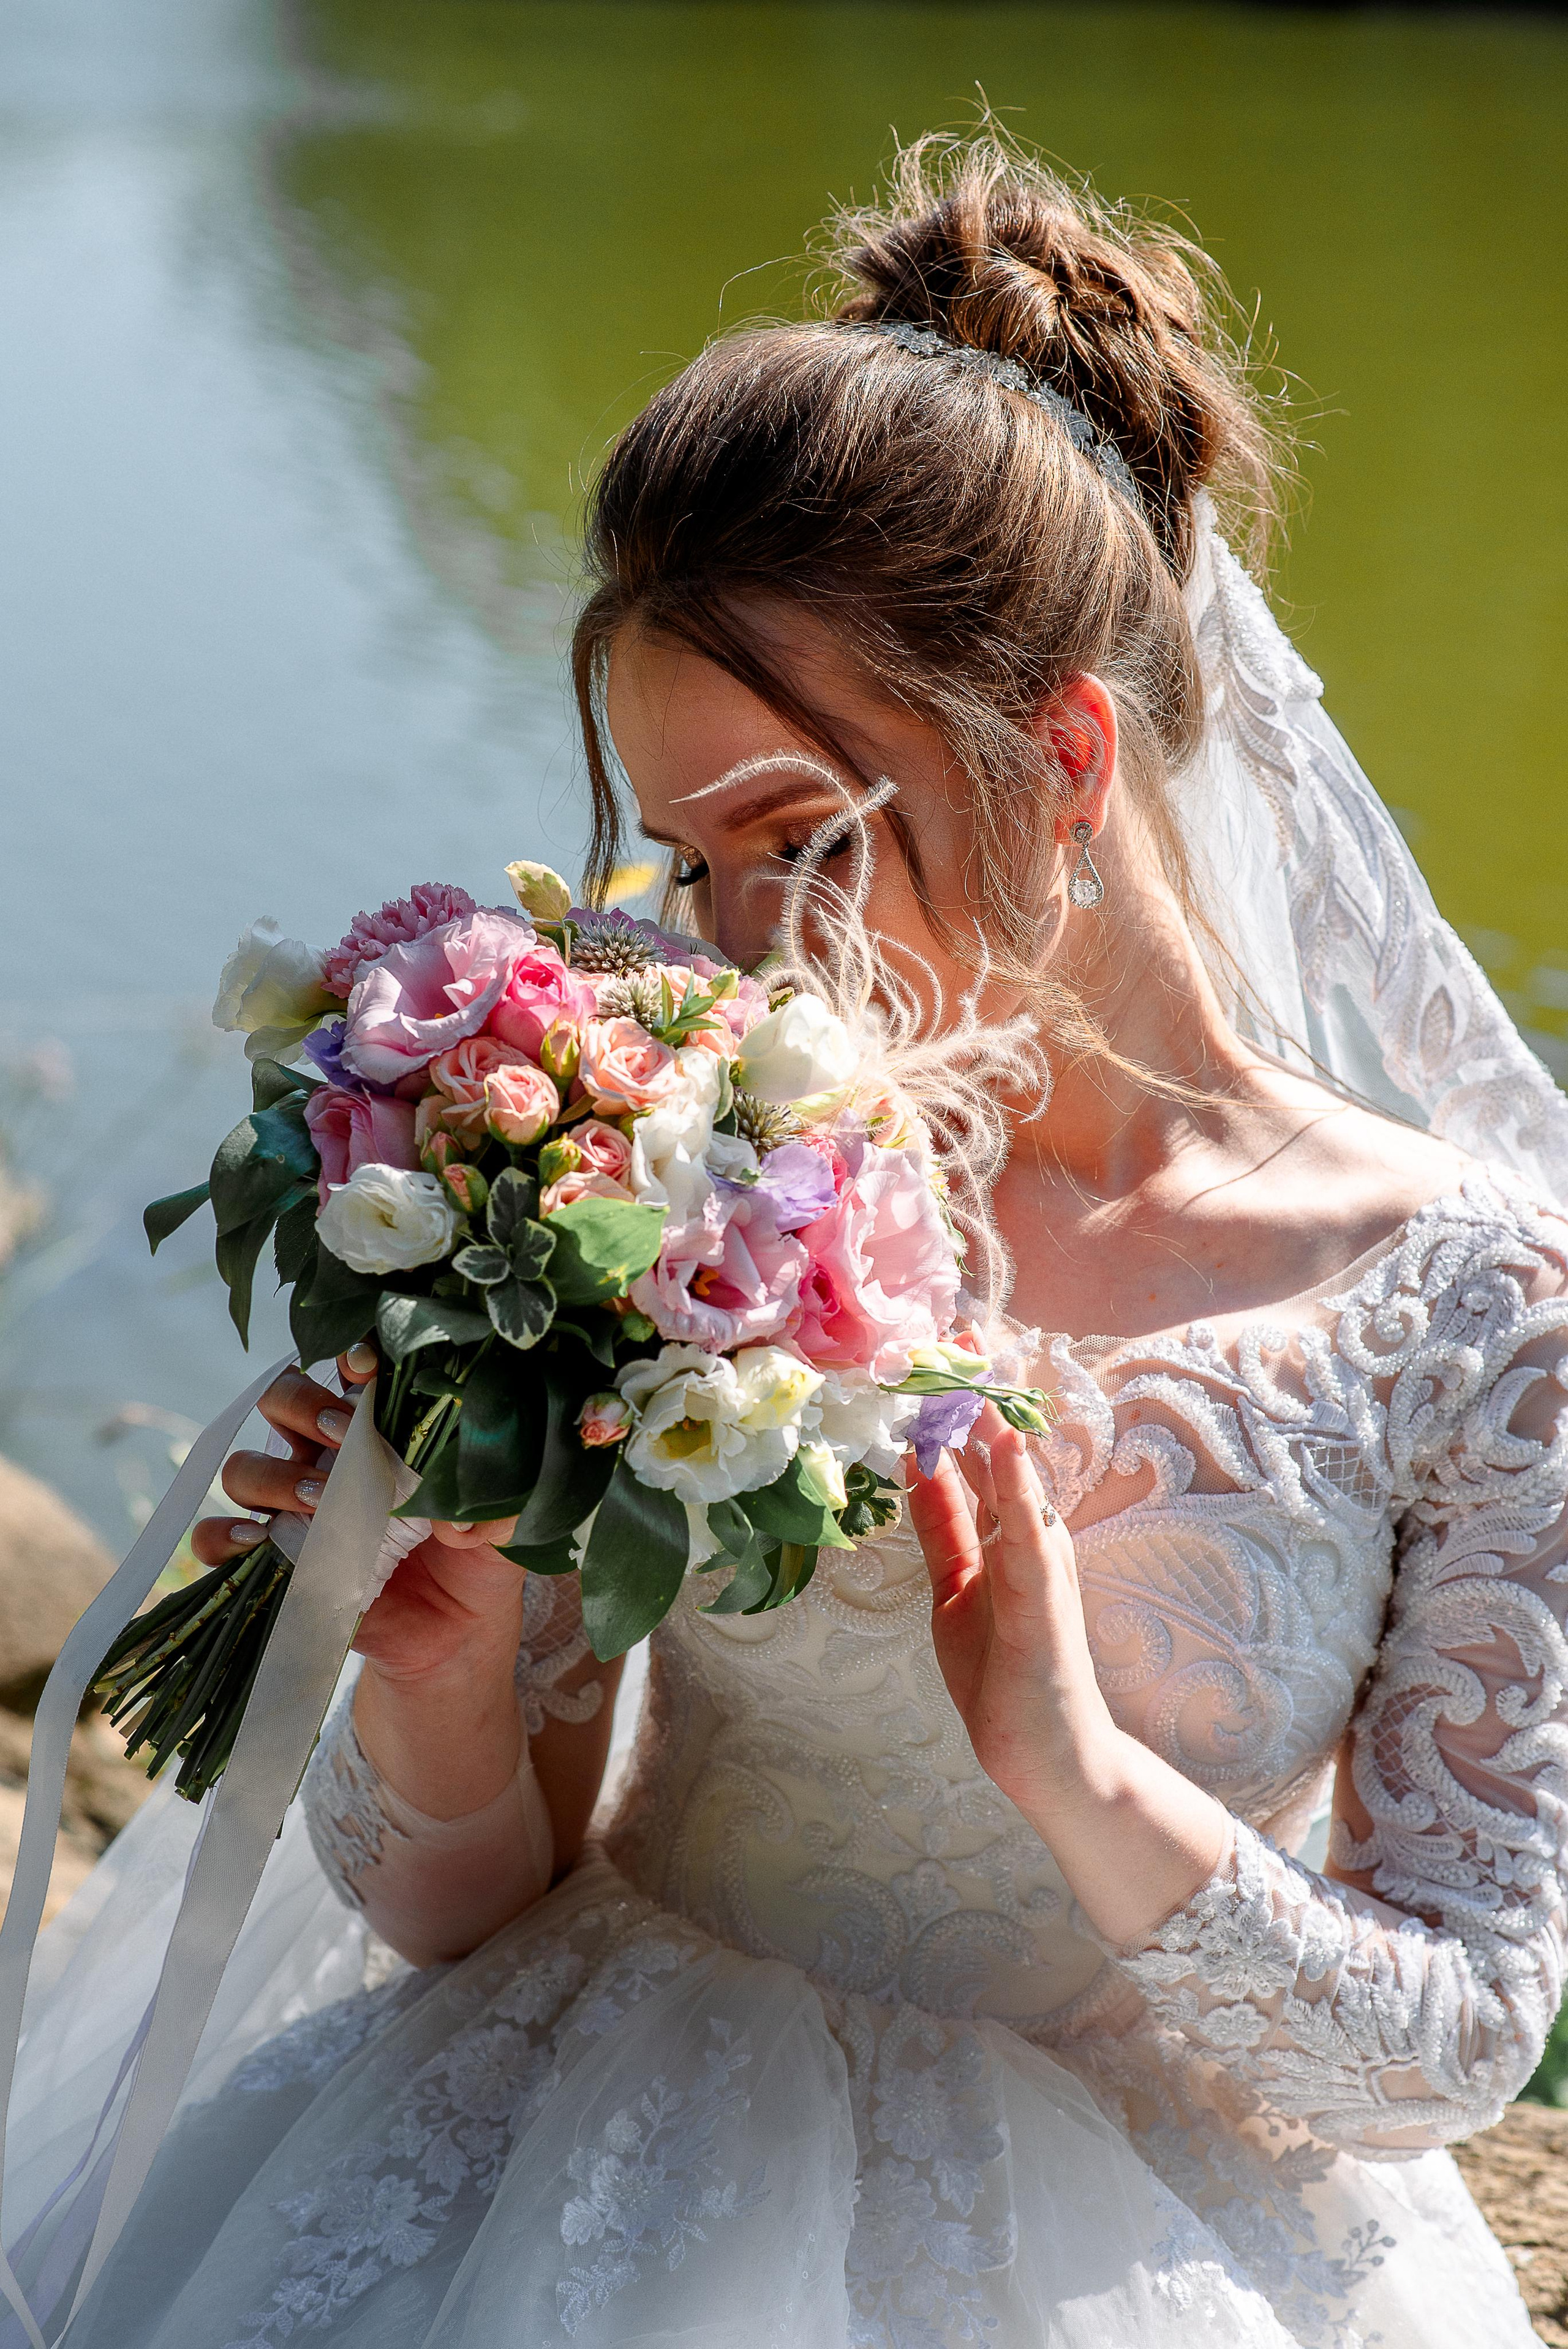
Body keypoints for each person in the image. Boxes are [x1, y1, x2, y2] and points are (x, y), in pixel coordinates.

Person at [13, 134, 1568, 2348]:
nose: (739, 943)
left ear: (1064, 756)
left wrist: (1073, 1761)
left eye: (801, 836)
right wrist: (444, 1681)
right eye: (686, 854)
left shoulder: (1477, 1301)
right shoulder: (681, 1145)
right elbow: (459, 1910)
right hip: (576, 2150)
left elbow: (1451, 2054)